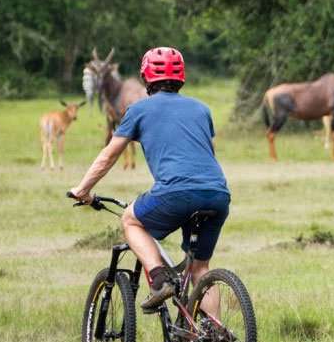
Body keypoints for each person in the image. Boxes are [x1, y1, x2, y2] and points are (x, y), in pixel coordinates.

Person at [68, 47, 230, 314]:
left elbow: (109, 155)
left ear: (145, 78)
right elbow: (207, 152)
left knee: (131, 219)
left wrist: (82, 189)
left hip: (176, 193)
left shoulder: (138, 109)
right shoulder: (202, 109)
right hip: (217, 193)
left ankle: (158, 280)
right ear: (182, 78)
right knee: (201, 268)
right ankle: (215, 339)